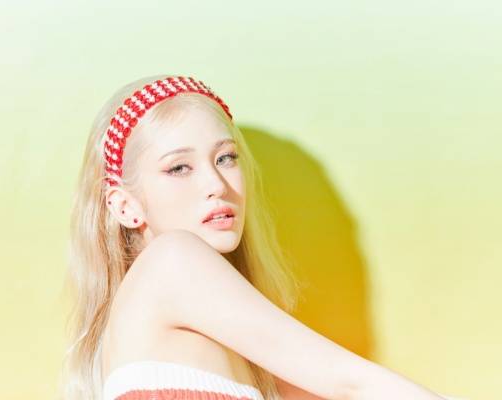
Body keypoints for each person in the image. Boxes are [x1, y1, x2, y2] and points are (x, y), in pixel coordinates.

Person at [58, 75, 452, 400]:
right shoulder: (171, 259)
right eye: (179, 168)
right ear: (125, 206)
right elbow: (350, 383)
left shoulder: (238, 354)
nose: (216, 184)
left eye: (225, 158)